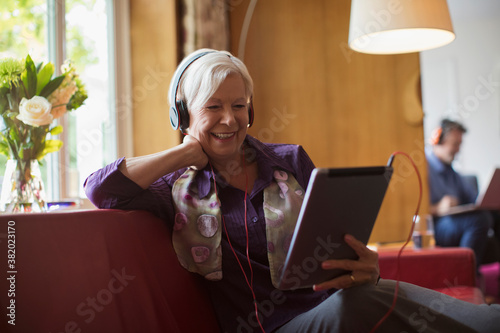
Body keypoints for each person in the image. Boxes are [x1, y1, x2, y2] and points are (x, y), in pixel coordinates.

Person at [84, 49, 500, 332]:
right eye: (213, 106)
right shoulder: (175, 187)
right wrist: (184, 153)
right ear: (183, 112)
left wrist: (365, 264)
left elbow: (334, 243)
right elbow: (101, 189)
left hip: (328, 308)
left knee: (368, 293)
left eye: (240, 104)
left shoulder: (290, 161)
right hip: (272, 326)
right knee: (355, 306)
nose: (230, 119)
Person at [426, 119, 492, 267]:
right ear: (438, 141)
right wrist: (438, 208)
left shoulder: (452, 172)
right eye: (455, 144)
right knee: (479, 220)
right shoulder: (423, 168)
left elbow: (474, 200)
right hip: (434, 225)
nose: (458, 150)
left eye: (460, 144)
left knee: (493, 215)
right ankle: (465, 273)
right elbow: (411, 212)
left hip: (454, 222)